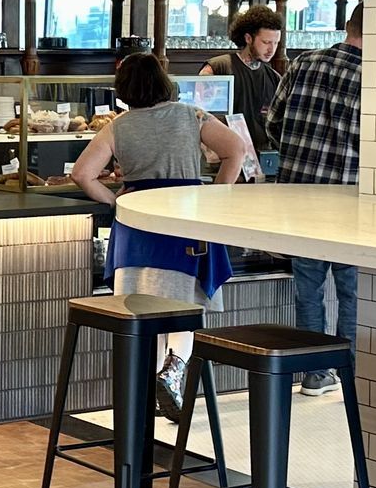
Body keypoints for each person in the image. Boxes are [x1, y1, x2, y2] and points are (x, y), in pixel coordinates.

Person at [73, 52, 246, 412]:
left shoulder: (118, 126)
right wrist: (216, 194)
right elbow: (236, 149)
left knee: (143, 311)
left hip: (136, 227)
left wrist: (115, 202)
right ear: (164, 81)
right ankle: (173, 372)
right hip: (184, 220)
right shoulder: (190, 115)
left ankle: (152, 394)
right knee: (184, 306)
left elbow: (82, 173)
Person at [263, 0, 363, 396]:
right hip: (351, 198)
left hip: (298, 195)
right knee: (352, 287)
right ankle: (351, 371)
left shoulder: (303, 62)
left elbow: (274, 122)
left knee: (308, 285)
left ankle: (314, 373)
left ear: (347, 25)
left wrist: (295, 157)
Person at [200, 6, 284, 157]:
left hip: (261, 160)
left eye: (276, 43)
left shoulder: (274, 77)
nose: (272, 49)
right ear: (248, 38)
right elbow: (200, 114)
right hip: (223, 157)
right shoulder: (217, 67)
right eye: (266, 42)